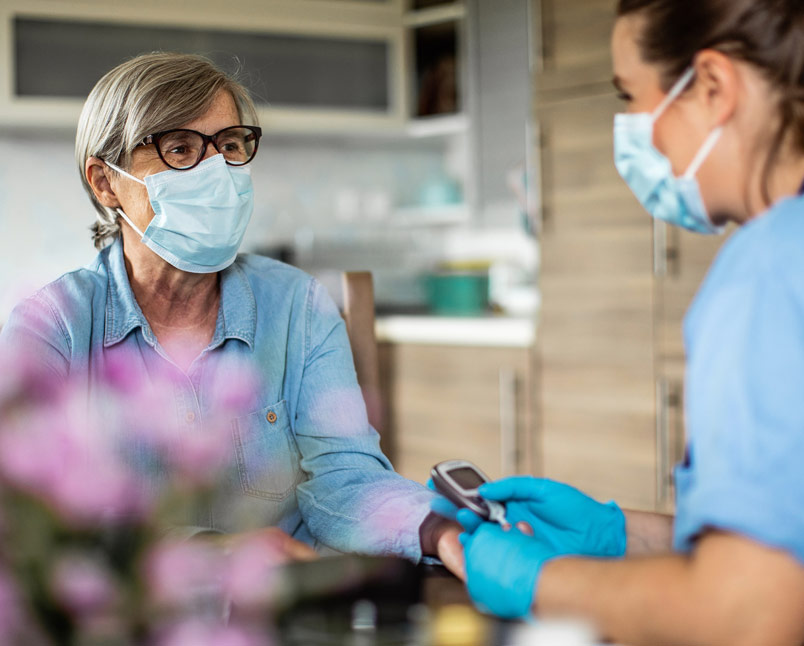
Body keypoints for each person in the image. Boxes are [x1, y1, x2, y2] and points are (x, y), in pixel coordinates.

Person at [0, 52, 462, 571]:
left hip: (288, 608)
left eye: (230, 145)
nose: (216, 171)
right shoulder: (52, 326)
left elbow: (345, 479)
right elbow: (30, 518)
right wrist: (213, 552)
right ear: (106, 183)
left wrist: (441, 531)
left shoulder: (297, 306)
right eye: (179, 149)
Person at [433, 1, 804, 644]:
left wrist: (542, 584)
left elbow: (748, 615)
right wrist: (620, 535)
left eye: (633, 98)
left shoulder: (769, 275)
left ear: (713, 87)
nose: (634, 130)